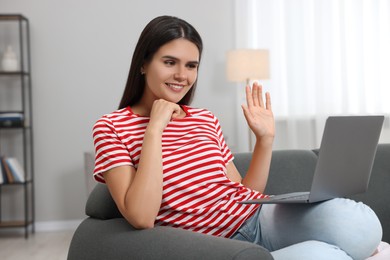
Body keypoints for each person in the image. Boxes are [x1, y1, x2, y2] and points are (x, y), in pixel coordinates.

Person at [92, 15, 382, 259]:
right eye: (170, 62)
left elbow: (244, 192)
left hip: (258, 219)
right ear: (143, 64)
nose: (182, 75)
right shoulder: (111, 126)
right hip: (219, 246)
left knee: (361, 225)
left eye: (191, 65)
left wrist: (264, 140)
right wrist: (154, 129)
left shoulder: (204, 118)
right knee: (326, 255)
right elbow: (141, 216)